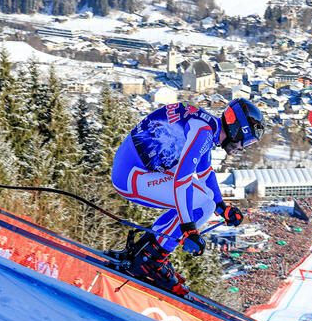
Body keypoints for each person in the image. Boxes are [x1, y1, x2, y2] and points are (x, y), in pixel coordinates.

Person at [109, 99, 263, 297]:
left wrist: (222, 208)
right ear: (235, 130)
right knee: (201, 204)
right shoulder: (203, 132)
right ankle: (151, 260)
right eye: (246, 140)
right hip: (131, 176)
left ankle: (147, 252)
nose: (243, 147)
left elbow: (205, 172)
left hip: (133, 170)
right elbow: (182, 181)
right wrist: (188, 228)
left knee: (205, 201)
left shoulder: (206, 127)